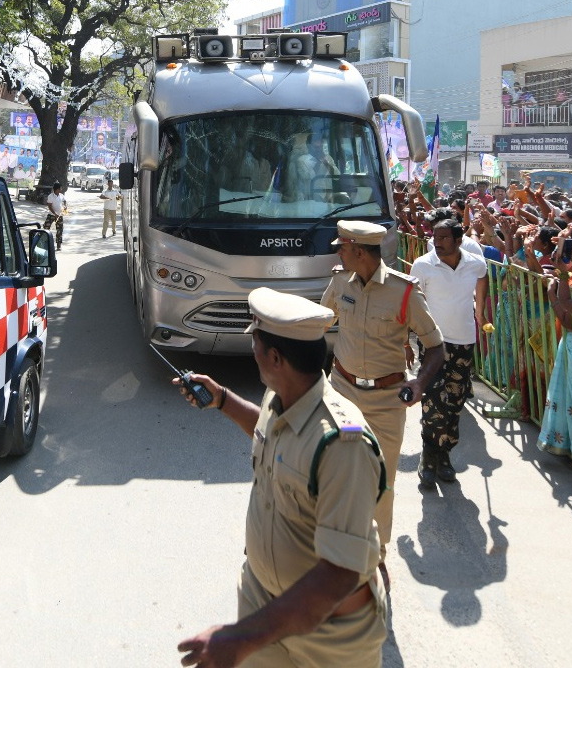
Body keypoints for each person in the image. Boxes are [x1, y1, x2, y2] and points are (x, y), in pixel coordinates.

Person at [175, 288, 387, 667]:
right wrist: (222, 398)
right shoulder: (283, 395)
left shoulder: (343, 443)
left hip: (325, 638)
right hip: (265, 606)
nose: (252, 349)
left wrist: (238, 638)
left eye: (254, 341)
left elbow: (337, 576)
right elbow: (270, 434)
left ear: (275, 357)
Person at [320, 220, 445, 582]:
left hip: (386, 402)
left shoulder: (404, 292)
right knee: (338, 471)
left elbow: (436, 347)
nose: (338, 253)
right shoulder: (340, 282)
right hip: (343, 391)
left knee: (380, 479)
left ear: (359, 251)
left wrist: (419, 384)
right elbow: (319, 324)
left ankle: (376, 553)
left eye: (342, 247)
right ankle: (337, 548)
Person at [409, 218, 490, 488]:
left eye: (444, 238)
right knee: (433, 399)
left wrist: (479, 311)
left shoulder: (475, 262)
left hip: (464, 341)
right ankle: (428, 455)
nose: (437, 242)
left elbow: (483, 277)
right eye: (435, 236)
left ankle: (444, 455)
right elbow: (410, 300)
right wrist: (405, 339)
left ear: (458, 240)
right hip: (433, 343)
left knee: (455, 400)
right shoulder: (422, 265)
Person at [44, 181, 68, 251]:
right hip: (52, 215)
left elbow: (64, 201)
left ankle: (58, 245)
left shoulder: (61, 195)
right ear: (57, 189)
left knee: (59, 230)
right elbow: (49, 206)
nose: (61, 190)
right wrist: (55, 214)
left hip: (59, 215)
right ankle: (45, 242)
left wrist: (65, 206)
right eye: (60, 188)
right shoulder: (50, 196)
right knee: (46, 227)